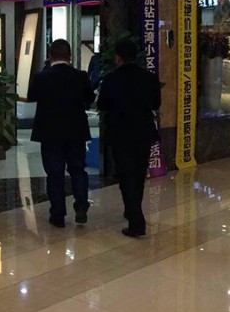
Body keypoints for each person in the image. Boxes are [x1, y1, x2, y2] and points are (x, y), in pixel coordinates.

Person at [28, 39, 95, 227]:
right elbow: (89, 98)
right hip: (76, 131)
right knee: (78, 169)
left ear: (50, 56)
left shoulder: (41, 77)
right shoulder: (80, 76)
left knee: (54, 173)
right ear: (69, 56)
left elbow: (32, 96)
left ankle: (58, 214)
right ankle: (81, 205)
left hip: (50, 133)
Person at [97, 39, 161, 237]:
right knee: (139, 174)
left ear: (117, 57)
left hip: (120, 133)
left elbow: (102, 104)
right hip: (143, 132)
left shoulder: (111, 79)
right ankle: (132, 209)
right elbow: (156, 103)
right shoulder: (149, 78)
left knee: (126, 175)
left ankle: (136, 221)